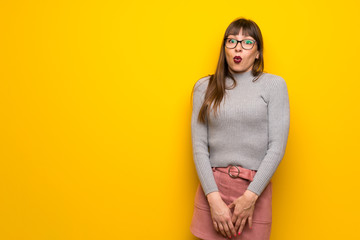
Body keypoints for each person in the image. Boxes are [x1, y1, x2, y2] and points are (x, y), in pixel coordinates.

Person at [189, 17, 290, 240]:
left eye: (247, 42)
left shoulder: (273, 85)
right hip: (212, 191)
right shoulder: (204, 87)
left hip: (255, 192)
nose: (238, 48)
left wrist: (250, 197)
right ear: (224, 48)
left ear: (258, 53)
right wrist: (214, 200)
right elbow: (199, 148)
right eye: (232, 41)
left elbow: (277, 147)